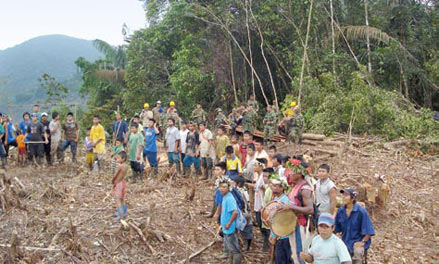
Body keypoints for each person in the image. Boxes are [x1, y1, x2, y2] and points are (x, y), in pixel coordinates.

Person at [282, 157, 315, 264]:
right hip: (294, 224)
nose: (289, 174)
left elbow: (310, 209)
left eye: (292, 172)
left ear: (300, 174)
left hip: (302, 225)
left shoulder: (304, 189)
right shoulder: (295, 186)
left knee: (302, 254)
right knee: (295, 253)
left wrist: (291, 207)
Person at [335, 189, 375, 264]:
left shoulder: (361, 211)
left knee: (358, 253)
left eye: (346, 195)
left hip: (357, 242)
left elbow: (368, 230)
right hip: (345, 242)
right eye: (343, 195)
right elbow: (336, 228)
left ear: (352, 198)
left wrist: (362, 242)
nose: (343, 197)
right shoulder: (341, 211)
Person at [267, 174, 293, 264]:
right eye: (272, 185)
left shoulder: (285, 201)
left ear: (282, 188)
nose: (272, 188)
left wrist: (275, 236)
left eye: (275, 186)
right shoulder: (276, 199)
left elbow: (282, 221)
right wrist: (272, 234)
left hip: (284, 236)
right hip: (277, 235)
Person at [217, 176, 242, 264]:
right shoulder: (225, 196)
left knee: (234, 249)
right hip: (226, 227)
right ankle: (230, 261)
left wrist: (229, 223)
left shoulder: (230, 198)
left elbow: (235, 212)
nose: (222, 189)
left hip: (229, 227)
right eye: (220, 187)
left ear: (229, 188)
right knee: (230, 246)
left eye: (224, 187)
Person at [112, 151, 129, 221]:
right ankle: (124, 212)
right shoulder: (126, 166)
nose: (117, 159)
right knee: (122, 198)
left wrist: (112, 181)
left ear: (123, 159)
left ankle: (120, 214)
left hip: (118, 183)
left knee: (118, 199)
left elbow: (115, 175)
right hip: (123, 182)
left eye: (119, 158)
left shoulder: (120, 166)